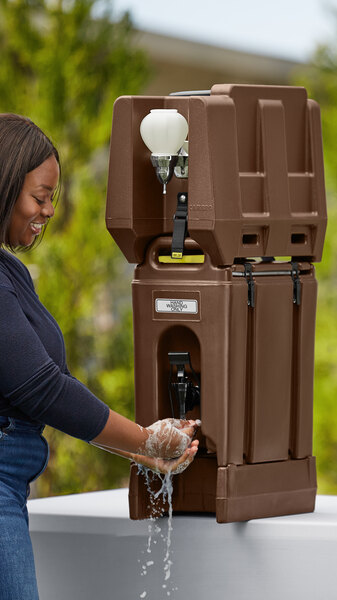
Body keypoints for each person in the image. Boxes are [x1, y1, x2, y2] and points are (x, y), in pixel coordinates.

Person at [0, 113, 199, 599]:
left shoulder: (11, 273)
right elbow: (42, 389)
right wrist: (147, 442)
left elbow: (56, 390)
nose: (47, 211)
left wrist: (141, 453)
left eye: (52, 199)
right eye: (39, 197)